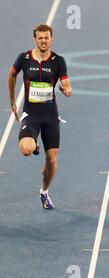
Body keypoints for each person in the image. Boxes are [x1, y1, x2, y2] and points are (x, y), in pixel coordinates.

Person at [8, 24, 72, 210]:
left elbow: (67, 83)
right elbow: (12, 75)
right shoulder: (24, 58)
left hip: (50, 115)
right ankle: (34, 143)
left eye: (47, 38)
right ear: (35, 39)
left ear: (51, 39)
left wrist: (66, 89)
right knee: (26, 149)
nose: (43, 41)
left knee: (51, 160)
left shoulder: (58, 61)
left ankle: (44, 192)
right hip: (31, 114)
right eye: (40, 38)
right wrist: (12, 101)